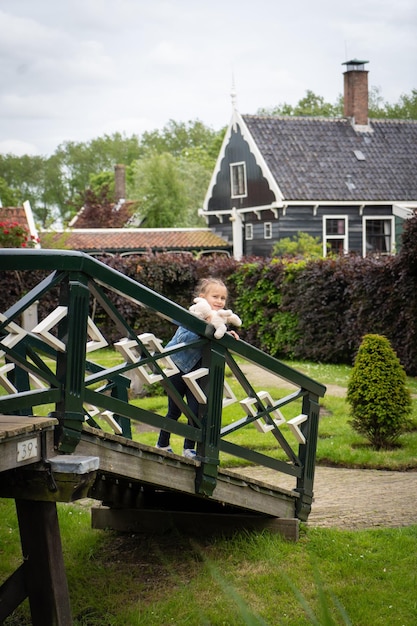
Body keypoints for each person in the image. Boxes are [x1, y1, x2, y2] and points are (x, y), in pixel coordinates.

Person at [156, 277, 239, 458]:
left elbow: (216, 337)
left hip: (197, 372)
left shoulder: (220, 320)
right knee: (175, 410)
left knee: (196, 412)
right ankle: (162, 443)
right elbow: (185, 339)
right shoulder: (192, 316)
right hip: (176, 367)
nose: (219, 301)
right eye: (215, 296)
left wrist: (227, 335)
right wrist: (207, 325)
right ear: (202, 297)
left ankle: (189, 448)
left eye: (223, 298)